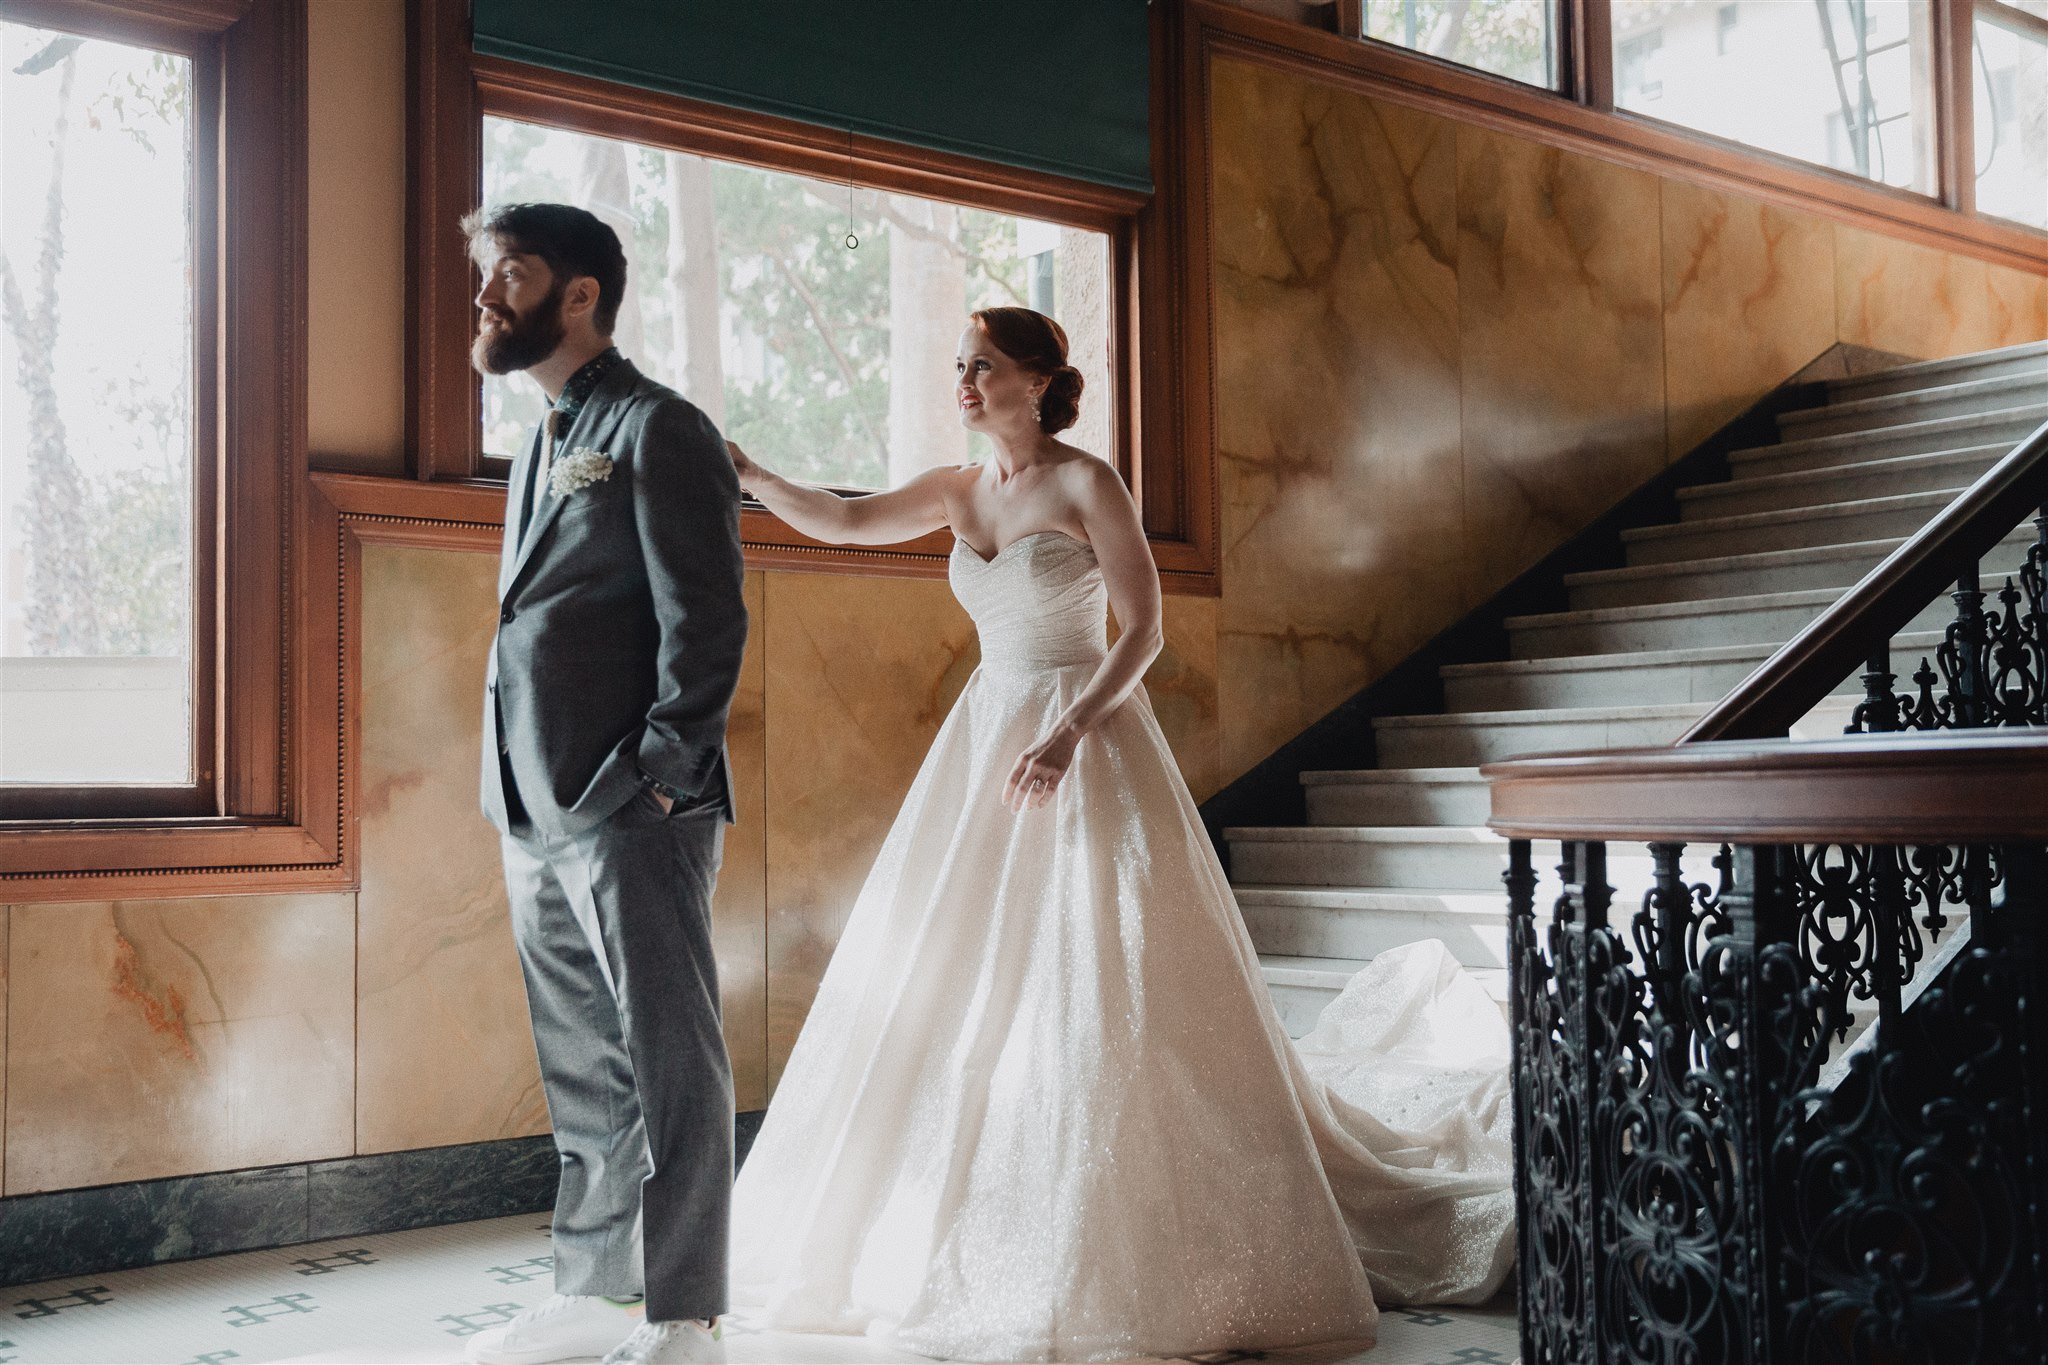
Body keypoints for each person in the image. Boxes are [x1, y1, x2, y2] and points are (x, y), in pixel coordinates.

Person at [724, 306, 1514, 1363]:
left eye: (984, 367)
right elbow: (846, 518)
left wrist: (1066, 734)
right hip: (982, 740)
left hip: (1081, 731)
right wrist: (751, 472)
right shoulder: (958, 487)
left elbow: (1143, 630)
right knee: (951, 969)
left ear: (1041, 379)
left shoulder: (1090, 481)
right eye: (958, 365)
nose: (963, 381)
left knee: (1104, 970)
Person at [464, 202, 747, 1365]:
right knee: (579, 1059)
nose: (483, 299)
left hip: (633, 805)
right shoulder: (541, 437)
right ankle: (589, 1291)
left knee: (669, 1063)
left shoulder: (659, 426)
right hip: (529, 802)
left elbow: (707, 616)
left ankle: (688, 1314)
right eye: (483, 278)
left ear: (577, 295)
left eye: (507, 276)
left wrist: (662, 776)